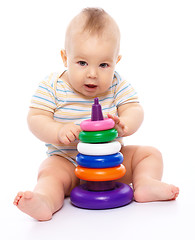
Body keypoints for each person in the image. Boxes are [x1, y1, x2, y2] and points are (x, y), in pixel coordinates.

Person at [13, 7, 179, 221]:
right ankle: (44, 200)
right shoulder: (52, 86)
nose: (92, 73)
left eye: (103, 65)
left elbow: (134, 109)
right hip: (68, 162)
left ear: (115, 62)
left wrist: (125, 123)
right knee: (49, 173)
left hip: (111, 163)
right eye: (82, 63)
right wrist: (58, 131)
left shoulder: (118, 85)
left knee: (149, 154)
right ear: (65, 57)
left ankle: (145, 183)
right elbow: (35, 118)